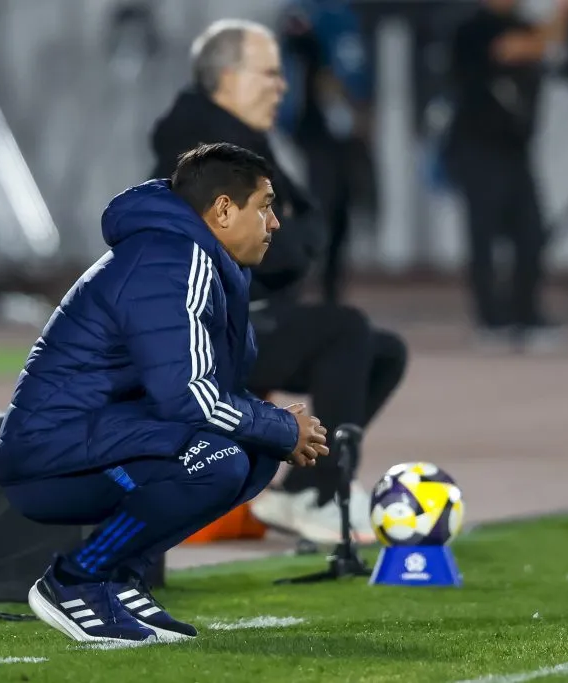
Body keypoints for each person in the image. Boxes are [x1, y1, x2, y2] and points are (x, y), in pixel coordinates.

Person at [0, 142, 329, 645]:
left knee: (249, 452)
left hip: (98, 439)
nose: (274, 222)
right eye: (264, 206)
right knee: (217, 460)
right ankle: (76, 580)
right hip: (51, 457)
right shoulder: (171, 259)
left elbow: (199, 390)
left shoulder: (196, 257)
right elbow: (188, 396)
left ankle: (121, 577)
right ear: (222, 210)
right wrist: (281, 425)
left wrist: (272, 430)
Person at [148, 18, 408, 546]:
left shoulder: (243, 136)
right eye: (269, 74)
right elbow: (269, 249)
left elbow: (305, 225)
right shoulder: (196, 142)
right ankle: (317, 493)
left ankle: (306, 487)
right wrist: (288, 243)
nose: (282, 85)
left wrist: (288, 243)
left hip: (248, 313)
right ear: (226, 77)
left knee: (383, 350)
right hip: (200, 330)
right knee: (343, 328)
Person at [443, 0, 568, 350]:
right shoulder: (472, 29)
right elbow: (516, 50)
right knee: (485, 234)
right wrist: (565, 12)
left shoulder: (525, 24)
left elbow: (550, 52)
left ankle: (527, 315)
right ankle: (492, 321)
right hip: (477, 147)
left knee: (531, 233)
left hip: (515, 149)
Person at [275, 0, 374, 304]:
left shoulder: (348, 16)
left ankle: (330, 287)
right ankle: (299, 282)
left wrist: (360, 110)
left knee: (340, 209)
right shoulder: (303, 13)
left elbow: (359, 73)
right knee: (319, 205)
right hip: (310, 131)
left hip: (342, 132)